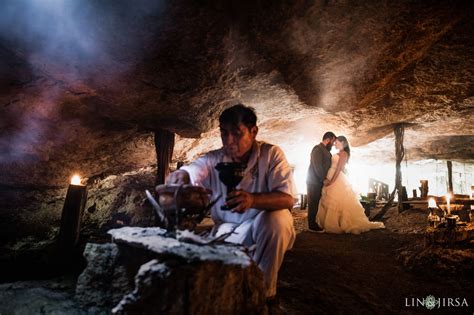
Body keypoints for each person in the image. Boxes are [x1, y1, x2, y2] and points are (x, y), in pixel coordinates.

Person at [163, 104, 296, 301]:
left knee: (278, 219)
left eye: (237, 133)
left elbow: (287, 198)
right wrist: (182, 174)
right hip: (228, 229)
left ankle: (264, 292)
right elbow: (196, 169)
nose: (230, 141)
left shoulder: (271, 155)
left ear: (253, 131)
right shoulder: (215, 158)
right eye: (224, 133)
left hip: (260, 227)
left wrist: (253, 200)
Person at [316, 136, 385, 234]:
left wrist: (331, 181)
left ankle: (338, 224)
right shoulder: (337, 153)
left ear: (342, 142)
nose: (334, 144)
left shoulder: (344, 154)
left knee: (337, 201)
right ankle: (328, 223)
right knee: (329, 201)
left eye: (336, 142)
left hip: (336, 178)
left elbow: (338, 169)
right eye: (334, 142)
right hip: (330, 176)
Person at [306, 131, 336, 231]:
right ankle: (312, 225)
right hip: (313, 181)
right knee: (313, 202)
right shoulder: (317, 149)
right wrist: (324, 178)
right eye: (333, 141)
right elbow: (317, 165)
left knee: (317, 202)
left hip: (318, 181)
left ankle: (314, 222)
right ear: (328, 139)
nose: (333, 144)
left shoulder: (326, 151)